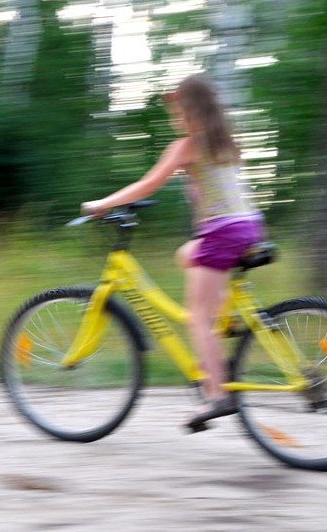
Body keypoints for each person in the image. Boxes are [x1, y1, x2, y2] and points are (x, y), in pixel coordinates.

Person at [81, 74, 264, 431]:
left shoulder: (188, 146)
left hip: (223, 231)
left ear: (192, 109)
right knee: (186, 254)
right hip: (249, 225)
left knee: (198, 318)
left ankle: (216, 395)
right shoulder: (227, 142)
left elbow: (149, 183)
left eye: (179, 107)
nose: (174, 113)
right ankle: (228, 319)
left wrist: (104, 204)